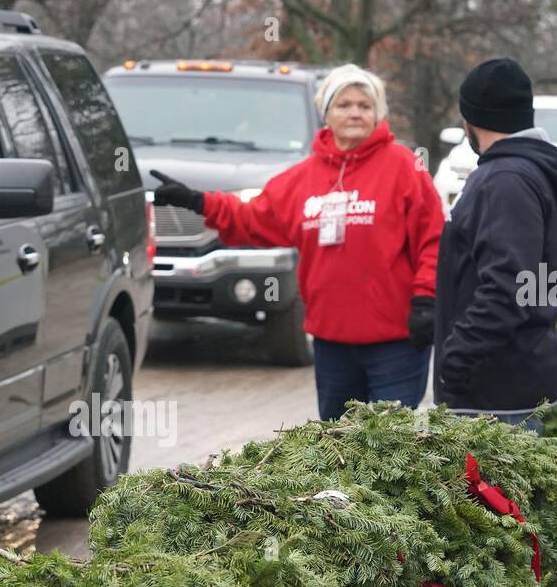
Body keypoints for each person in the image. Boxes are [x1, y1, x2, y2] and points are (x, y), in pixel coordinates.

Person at [151, 64, 443, 420]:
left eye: (365, 106)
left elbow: (433, 239)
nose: (355, 113)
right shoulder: (302, 178)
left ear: (378, 114)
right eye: (344, 104)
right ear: (326, 114)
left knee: (395, 445)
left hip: (396, 341)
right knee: (338, 447)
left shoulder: (404, 167)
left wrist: (426, 300)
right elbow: (251, 217)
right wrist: (198, 201)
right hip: (332, 342)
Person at [433, 57, 557, 432]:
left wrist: (455, 361)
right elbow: (540, 280)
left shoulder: (504, 179)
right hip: (517, 383)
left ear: (470, 121)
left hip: (494, 396)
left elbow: (507, 287)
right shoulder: (532, 172)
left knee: (487, 495)